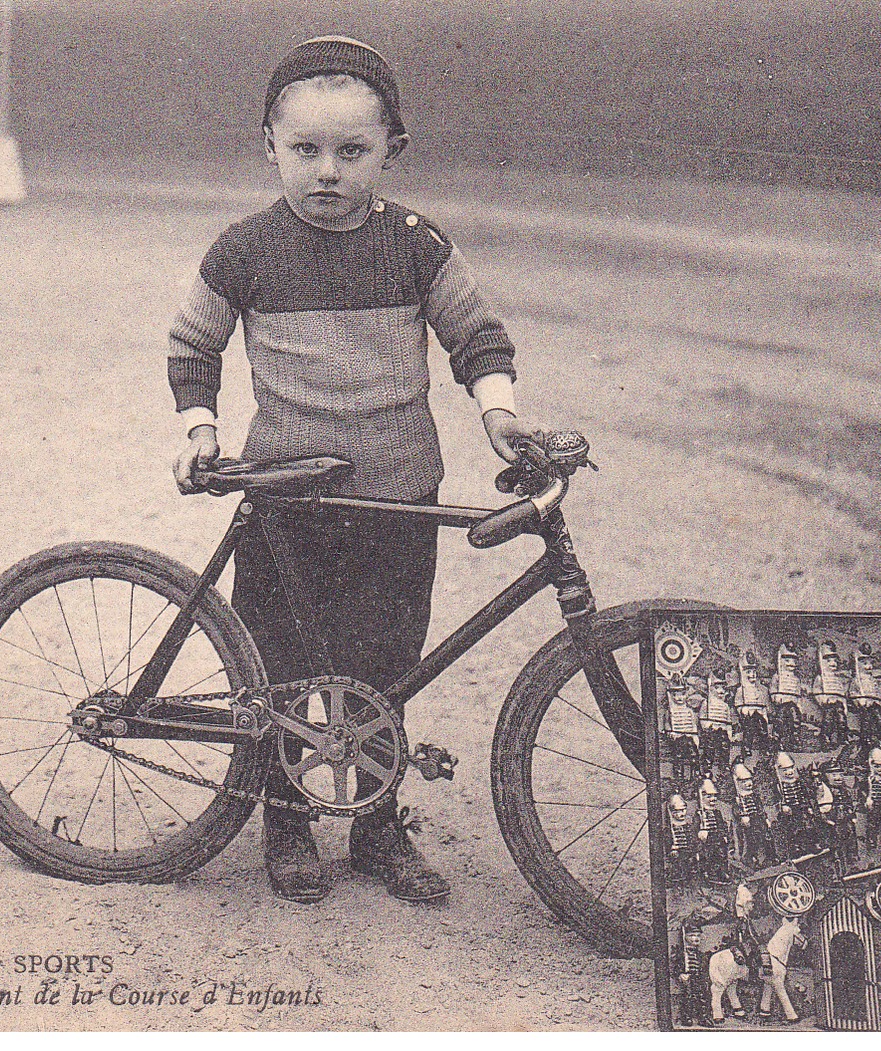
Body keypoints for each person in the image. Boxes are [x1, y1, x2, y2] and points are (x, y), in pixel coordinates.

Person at [166, 37, 542, 904]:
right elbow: (194, 344)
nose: (326, 171)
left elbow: (475, 335)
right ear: (269, 146)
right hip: (286, 501)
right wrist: (198, 427)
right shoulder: (244, 250)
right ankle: (287, 820)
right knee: (284, 664)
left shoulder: (414, 245)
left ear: (391, 152)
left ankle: (376, 826)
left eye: (351, 151)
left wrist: (498, 412)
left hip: (396, 498)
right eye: (304, 151)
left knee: (385, 666)